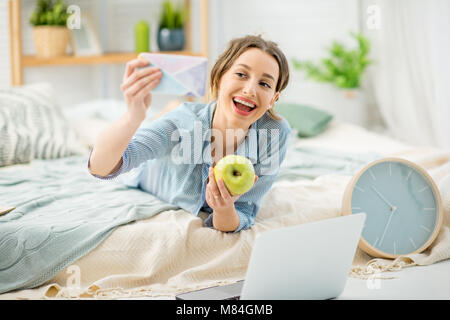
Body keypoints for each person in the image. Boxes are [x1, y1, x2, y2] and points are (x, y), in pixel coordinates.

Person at [88, 35, 292, 233]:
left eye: (264, 84)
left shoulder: (275, 134)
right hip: (149, 171)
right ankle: (163, 111)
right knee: (164, 120)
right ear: (220, 78)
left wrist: (224, 209)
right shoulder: (181, 123)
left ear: (273, 99)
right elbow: (100, 168)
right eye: (241, 74)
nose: (250, 90)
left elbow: (244, 212)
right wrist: (133, 116)